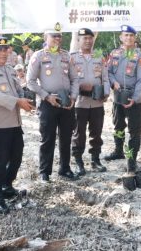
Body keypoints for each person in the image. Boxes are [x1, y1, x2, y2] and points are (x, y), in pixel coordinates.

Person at [0, 36, 34, 213]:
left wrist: (26, 98)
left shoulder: (10, 70)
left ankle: (7, 186)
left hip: (14, 123)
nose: (3, 53)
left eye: (5, 49)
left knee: (16, 158)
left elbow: (17, 89)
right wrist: (18, 101)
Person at [27, 23, 80, 182]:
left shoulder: (66, 56)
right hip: (47, 102)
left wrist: (74, 97)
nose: (57, 39)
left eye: (59, 36)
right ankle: (44, 172)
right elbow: (30, 81)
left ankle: (65, 169)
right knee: (47, 138)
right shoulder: (38, 56)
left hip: (66, 102)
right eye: (53, 36)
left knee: (65, 137)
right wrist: (46, 96)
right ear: (46, 37)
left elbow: (75, 79)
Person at [103, 25, 141, 173]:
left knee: (134, 131)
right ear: (121, 37)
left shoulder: (140, 56)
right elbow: (108, 72)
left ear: (135, 38)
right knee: (118, 126)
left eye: (131, 35)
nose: (128, 38)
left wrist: (134, 97)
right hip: (117, 99)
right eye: (126, 35)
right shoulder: (114, 54)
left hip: (133, 100)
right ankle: (118, 150)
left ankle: (131, 160)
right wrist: (113, 82)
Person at [70, 28, 110, 176]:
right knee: (78, 134)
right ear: (79, 40)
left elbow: (105, 77)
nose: (88, 41)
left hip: (97, 102)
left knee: (96, 132)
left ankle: (95, 160)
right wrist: (80, 87)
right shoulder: (72, 57)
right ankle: (79, 162)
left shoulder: (99, 56)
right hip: (80, 103)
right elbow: (69, 80)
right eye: (84, 38)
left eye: (90, 38)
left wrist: (106, 92)